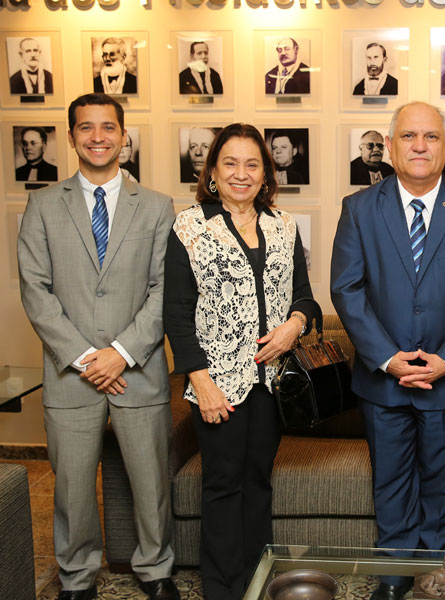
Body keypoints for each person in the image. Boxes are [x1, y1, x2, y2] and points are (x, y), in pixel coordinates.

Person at [331, 101, 445, 600]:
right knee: (391, 487)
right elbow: (348, 290)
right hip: (383, 381)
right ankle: (392, 581)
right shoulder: (359, 208)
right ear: (389, 147)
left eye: (431, 137)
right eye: (408, 136)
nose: (420, 146)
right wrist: (388, 358)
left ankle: (443, 584)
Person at [17, 93, 179, 600]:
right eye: (86, 128)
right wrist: (88, 358)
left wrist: (121, 353)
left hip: (139, 368)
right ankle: (77, 576)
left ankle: (156, 571)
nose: (97, 137)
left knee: (151, 484)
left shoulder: (156, 206)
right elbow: (35, 291)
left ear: (123, 135)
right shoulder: (42, 204)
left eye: (107, 127)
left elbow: (164, 290)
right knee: (70, 488)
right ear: (71, 138)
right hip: (72, 373)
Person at [164, 123, 316, 600]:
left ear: (266, 173)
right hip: (217, 383)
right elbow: (176, 310)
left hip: (271, 384)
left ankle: (256, 580)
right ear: (212, 171)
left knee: (258, 484)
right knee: (223, 485)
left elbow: (306, 300)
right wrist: (200, 381)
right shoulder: (189, 225)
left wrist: (295, 325)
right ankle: (222, 590)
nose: (241, 173)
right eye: (230, 163)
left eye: (252, 164)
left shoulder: (283, 224)